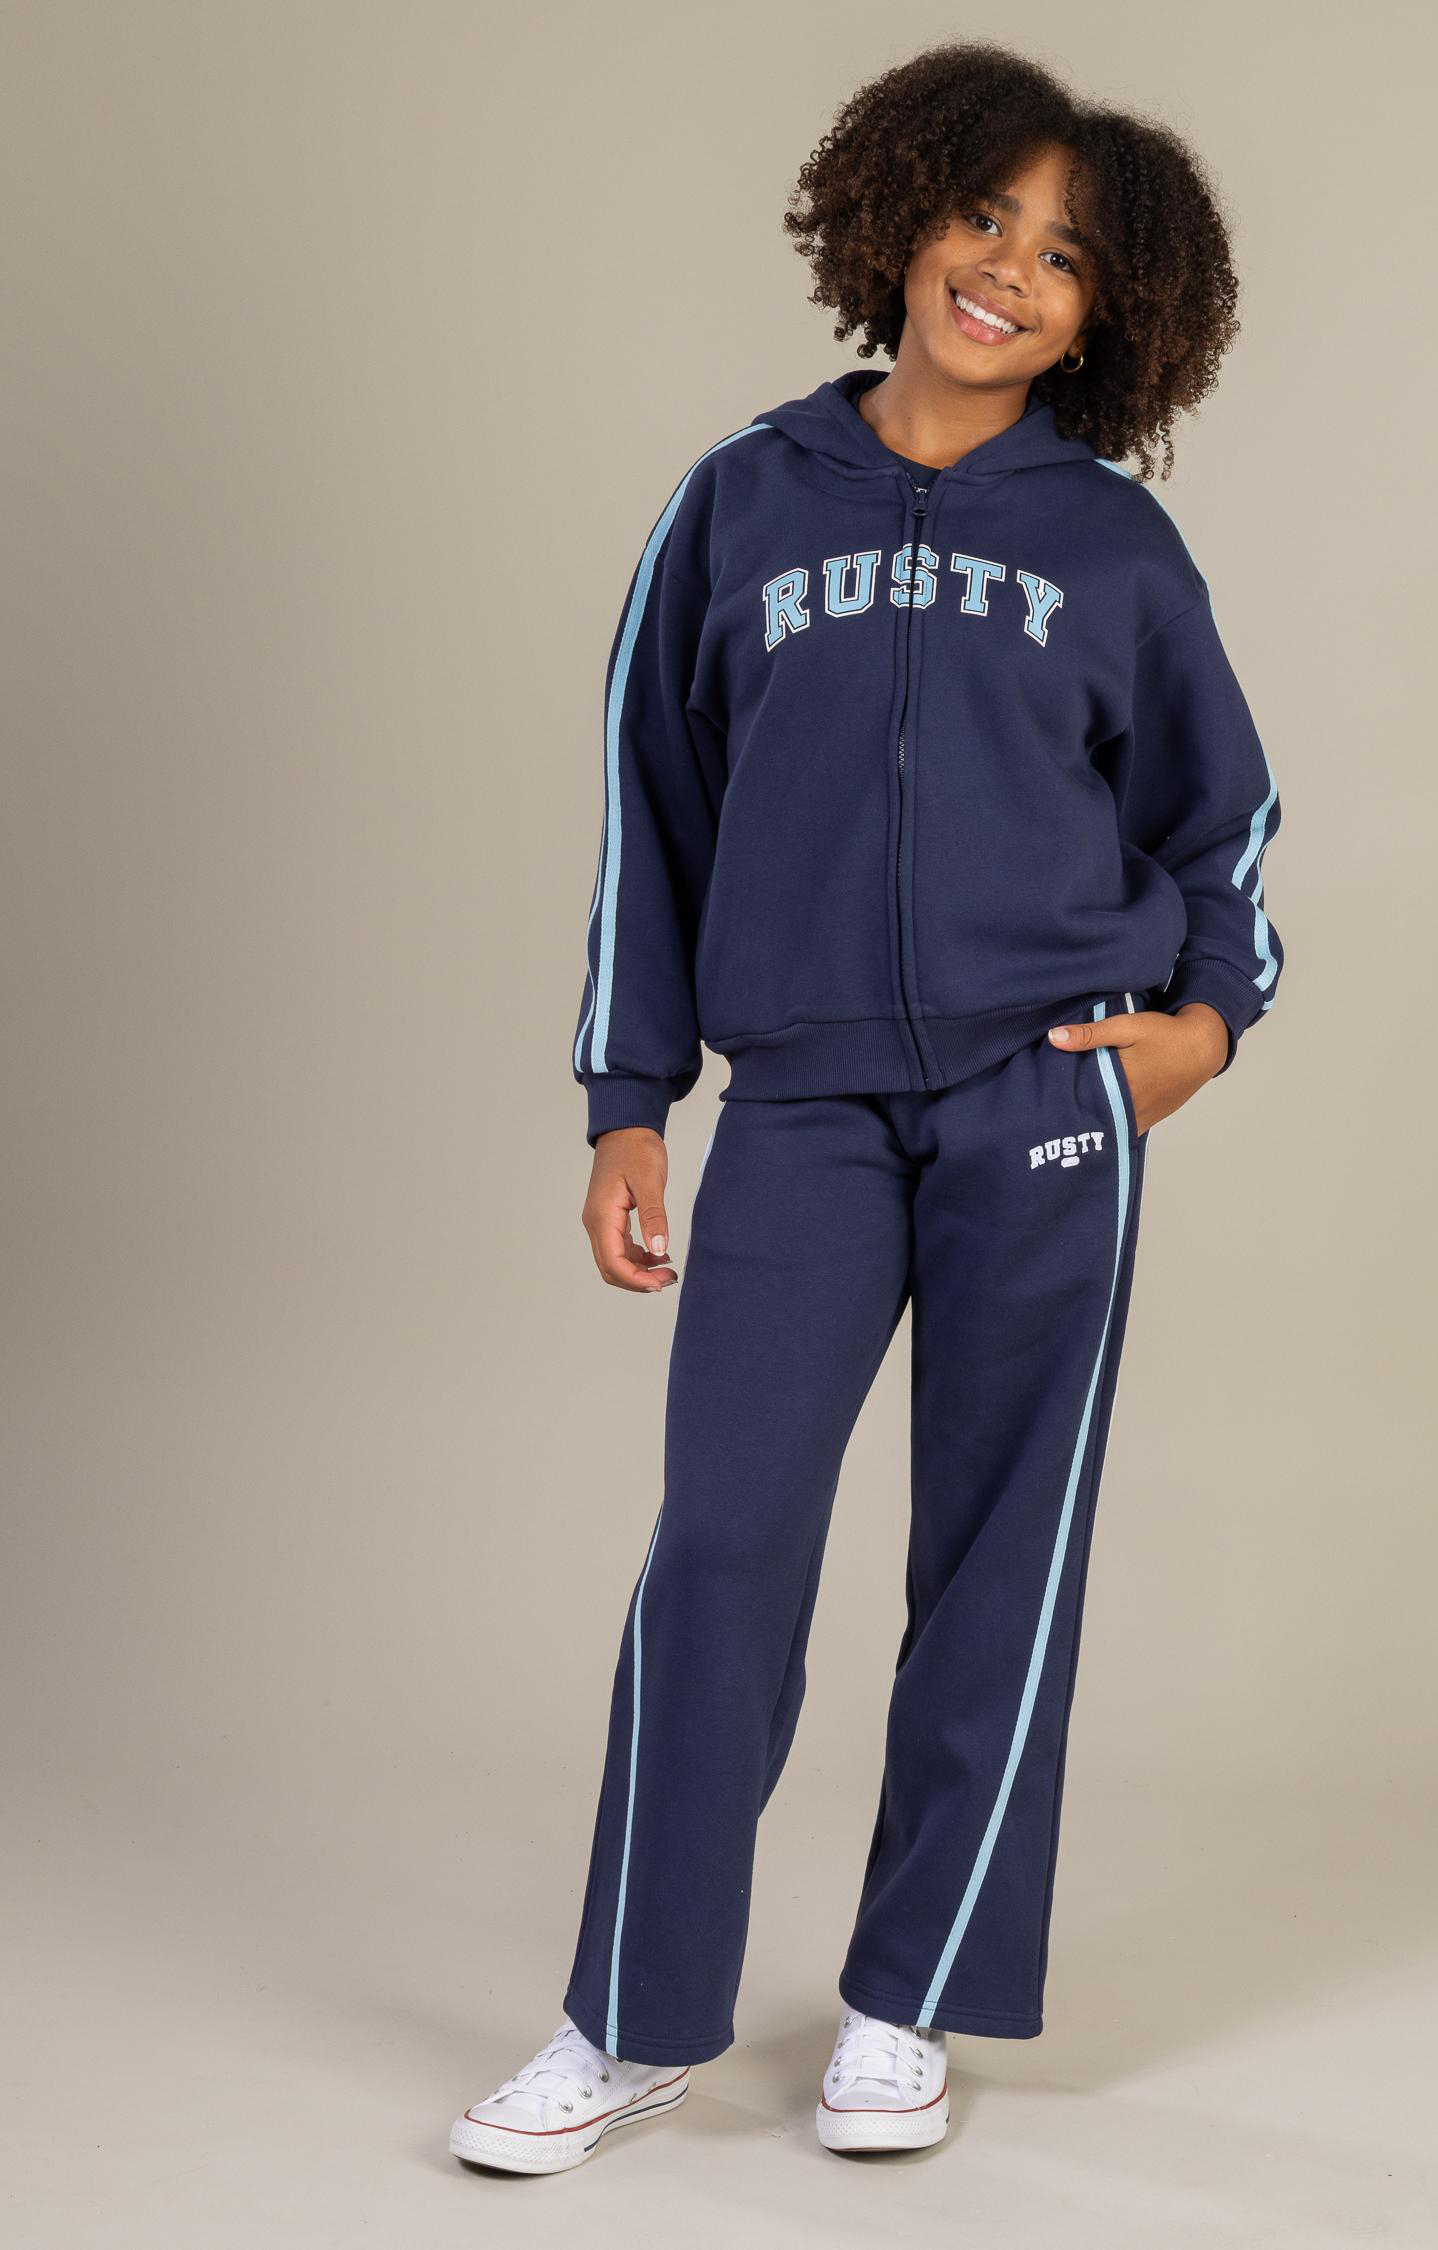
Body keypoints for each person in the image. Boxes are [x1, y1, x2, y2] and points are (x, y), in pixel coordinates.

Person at [450, 37, 1285, 2172]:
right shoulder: (738, 501)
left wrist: (1205, 1024)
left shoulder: (1115, 546)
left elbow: (1226, 824)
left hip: (1044, 1103)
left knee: (999, 1561)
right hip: (804, 1108)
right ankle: (630, 2012)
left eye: (1064, 257)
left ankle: (906, 2003)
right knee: (722, 1544)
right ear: (899, 215)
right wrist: (628, 1099)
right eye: (984, 215)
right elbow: (649, 813)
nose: (1008, 269)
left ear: (1106, 319)